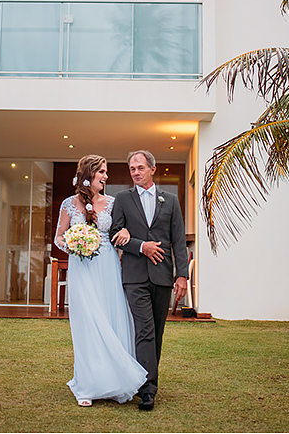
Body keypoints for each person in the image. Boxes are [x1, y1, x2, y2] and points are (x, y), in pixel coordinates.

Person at [54, 155, 148, 407]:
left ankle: (116, 381)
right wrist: (74, 245)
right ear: (89, 173)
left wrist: (126, 231)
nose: (106, 177)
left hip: (107, 266)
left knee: (109, 318)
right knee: (88, 322)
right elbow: (58, 238)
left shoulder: (114, 203)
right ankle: (88, 384)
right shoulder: (69, 204)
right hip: (81, 268)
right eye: (102, 172)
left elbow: (121, 230)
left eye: (106, 173)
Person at [110, 150, 189, 411]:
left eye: (140, 167)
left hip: (163, 276)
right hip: (134, 276)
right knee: (144, 329)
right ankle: (147, 390)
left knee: (157, 331)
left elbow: (178, 240)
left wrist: (182, 275)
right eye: (132, 168)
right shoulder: (122, 199)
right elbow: (114, 233)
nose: (135, 172)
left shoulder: (171, 200)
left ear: (152, 169)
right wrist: (141, 246)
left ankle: (146, 380)